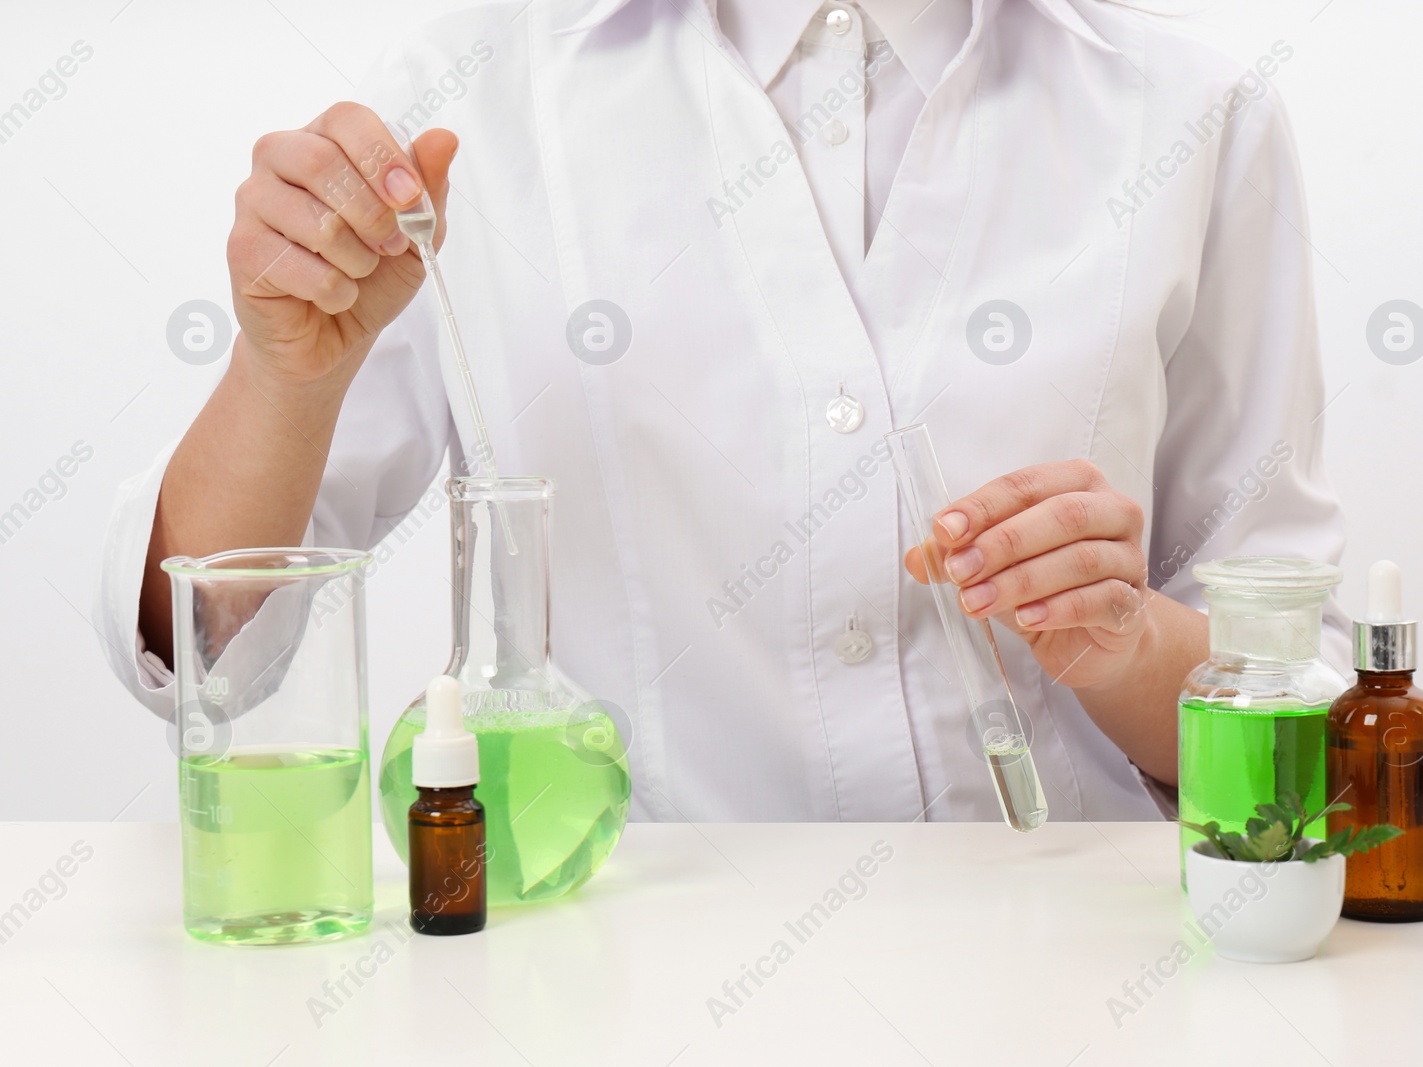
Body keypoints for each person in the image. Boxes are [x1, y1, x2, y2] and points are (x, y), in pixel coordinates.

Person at [97, 0, 1347, 822]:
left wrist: (1135, 652)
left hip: (1073, 984)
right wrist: (284, 378)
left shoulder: (1193, 115)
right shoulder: (468, 103)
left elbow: (1311, 732)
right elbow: (202, 650)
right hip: (613, 987)